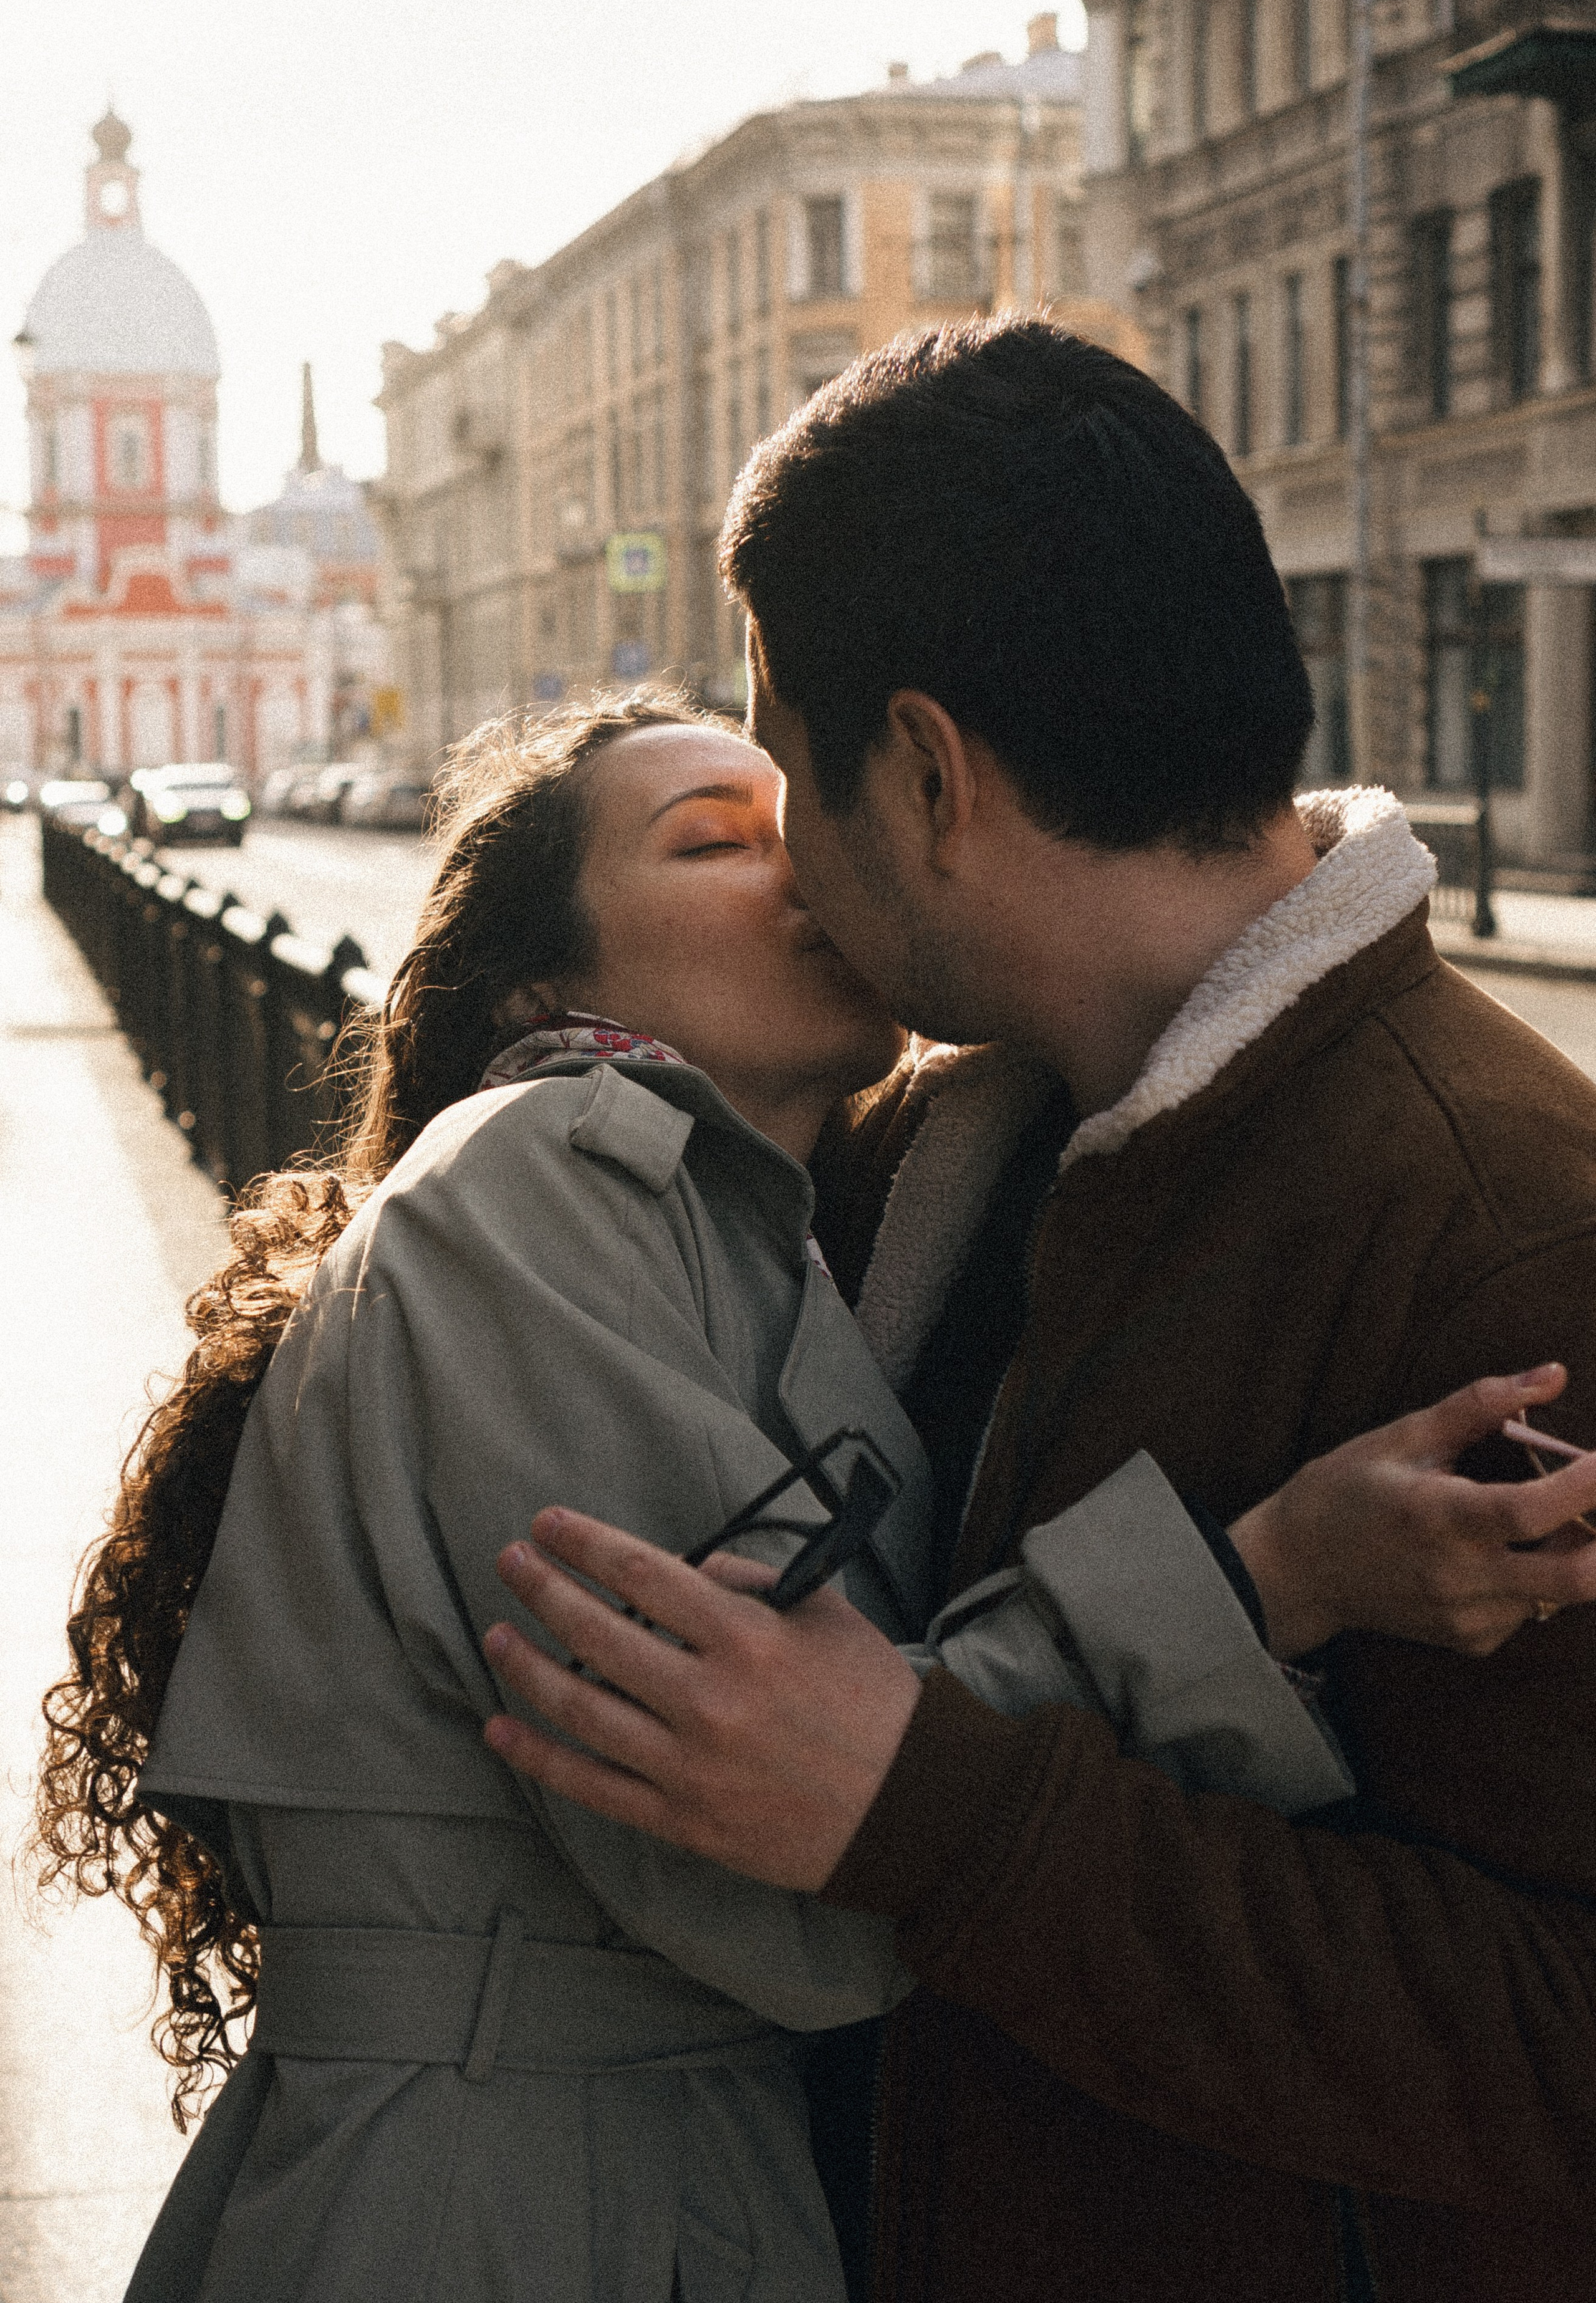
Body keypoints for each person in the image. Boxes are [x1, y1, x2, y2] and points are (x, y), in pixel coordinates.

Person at [481, 320, 1596, 2303]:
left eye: (785, 771)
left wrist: (944, 1812)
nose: (792, 868)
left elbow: (1558, 2039)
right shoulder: (940, 1150)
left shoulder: (1503, 1226)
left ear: (923, 777)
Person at [38, 695, 1382, 2303]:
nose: (796, 858)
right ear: (547, 983)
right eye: (711, 841)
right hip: (512, 2214)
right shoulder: (533, 1177)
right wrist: (1262, 1582)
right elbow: (778, 1872)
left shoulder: (740, 1228)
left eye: (794, 811)